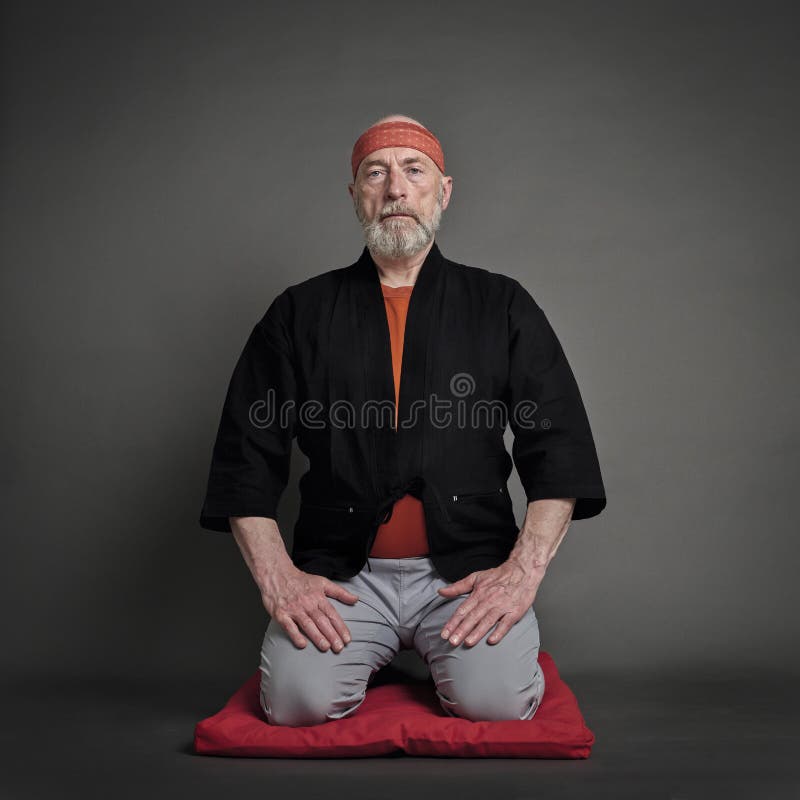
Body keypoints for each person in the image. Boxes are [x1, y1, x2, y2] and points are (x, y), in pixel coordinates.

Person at [199, 114, 607, 727]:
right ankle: (375, 646)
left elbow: (562, 449)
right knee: (295, 704)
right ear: (355, 194)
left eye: (414, 170)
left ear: (443, 191)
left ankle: (446, 652)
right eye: (376, 172)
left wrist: (519, 577)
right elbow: (245, 456)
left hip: (467, 577)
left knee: (494, 704)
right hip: (343, 578)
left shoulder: (501, 304)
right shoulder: (299, 312)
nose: (395, 188)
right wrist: (282, 580)